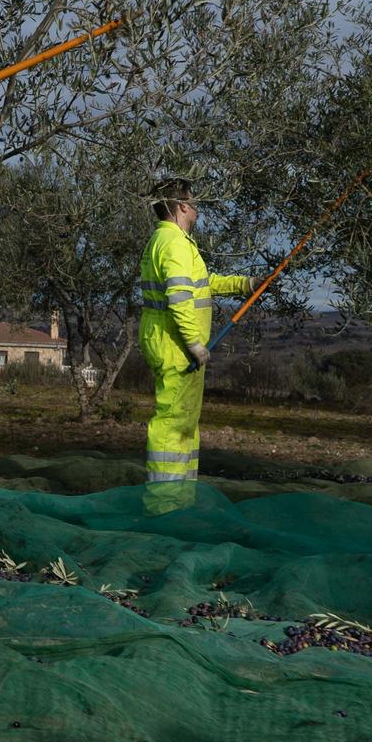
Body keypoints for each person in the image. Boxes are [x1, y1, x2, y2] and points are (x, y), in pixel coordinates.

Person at [136, 178, 252, 512]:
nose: (199, 205)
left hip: (174, 345)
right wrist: (194, 344)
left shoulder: (178, 242)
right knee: (173, 424)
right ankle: (164, 507)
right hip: (175, 347)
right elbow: (179, 298)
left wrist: (243, 284)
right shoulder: (171, 243)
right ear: (182, 206)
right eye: (194, 200)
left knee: (186, 423)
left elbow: (202, 284)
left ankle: (181, 500)